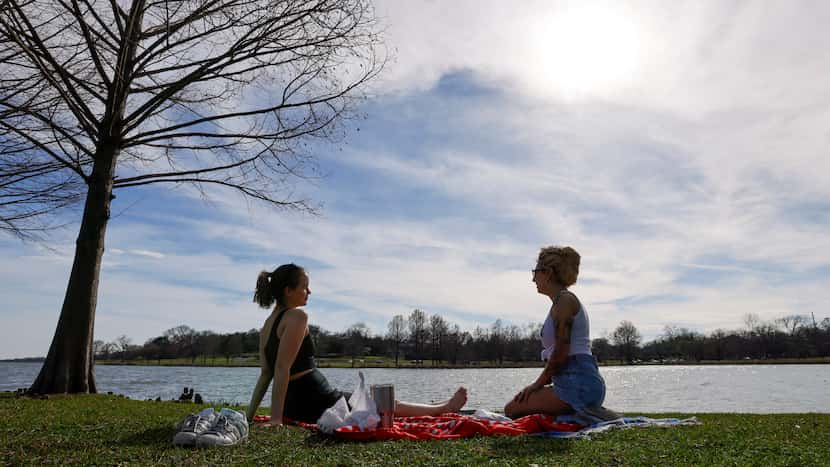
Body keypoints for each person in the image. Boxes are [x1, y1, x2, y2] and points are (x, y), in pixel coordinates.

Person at [246, 263, 468, 427]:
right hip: (315, 398)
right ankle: (443, 409)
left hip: (299, 403)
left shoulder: (267, 325)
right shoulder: (297, 316)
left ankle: (439, 405)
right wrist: (275, 419)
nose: (309, 292)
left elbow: (266, 374)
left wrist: (249, 415)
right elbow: (281, 369)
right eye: (305, 287)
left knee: (374, 399)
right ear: (288, 291)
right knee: (379, 404)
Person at [504, 246, 605, 418]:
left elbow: (561, 352)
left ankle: (583, 409)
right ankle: (580, 412)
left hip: (579, 384)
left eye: (535, 272)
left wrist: (536, 385)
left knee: (512, 409)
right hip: (574, 381)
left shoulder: (564, 301)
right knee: (518, 407)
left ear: (548, 272)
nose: (533, 279)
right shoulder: (560, 301)